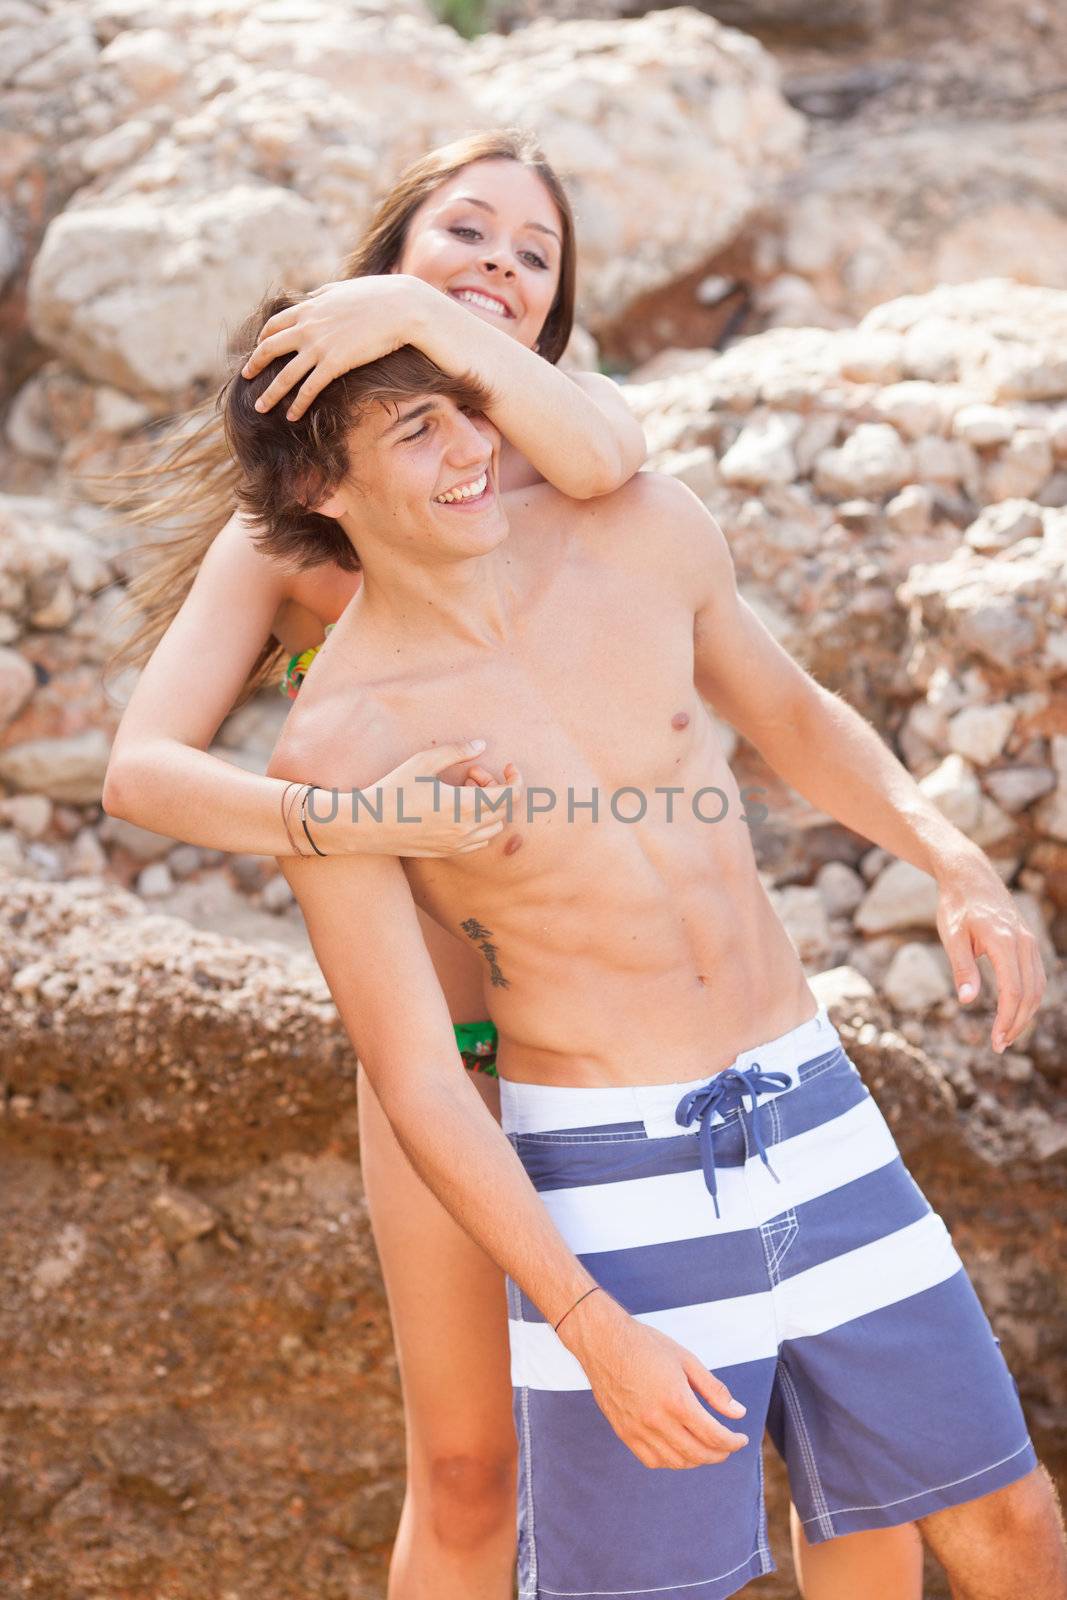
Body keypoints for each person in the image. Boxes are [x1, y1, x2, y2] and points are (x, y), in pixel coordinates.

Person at [103, 131, 928, 1597]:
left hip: (632, 1065)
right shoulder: (301, 521)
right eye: (461, 233)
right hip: (442, 1063)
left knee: (803, 1432)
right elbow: (143, 770)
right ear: (383, 265)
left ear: (547, 318)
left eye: (532, 255)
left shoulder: (575, 453)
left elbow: (610, 456)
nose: (496, 263)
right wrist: (356, 827)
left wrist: (427, 325)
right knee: (470, 1473)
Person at [227, 323, 1067, 1600]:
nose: (474, 450)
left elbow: (788, 713)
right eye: (418, 431)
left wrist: (949, 855)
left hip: (811, 1105)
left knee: (1007, 1526)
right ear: (318, 489)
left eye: (471, 407)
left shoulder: (644, 529)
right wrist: (581, 1318)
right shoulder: (337, 748)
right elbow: (417, 1078)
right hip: (609, 1183)